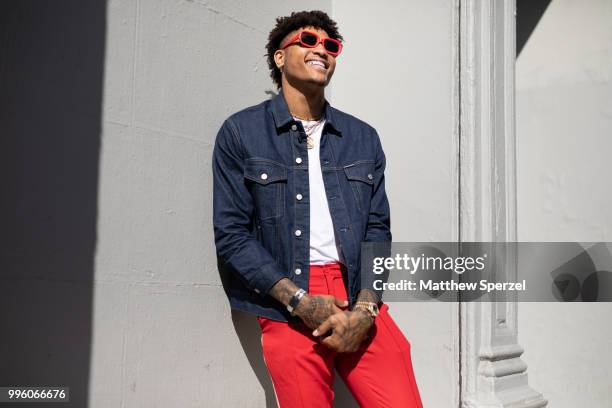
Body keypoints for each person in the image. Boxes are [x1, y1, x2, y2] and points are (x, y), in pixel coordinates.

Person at [212, 10, 423, 407]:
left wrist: (366, 308)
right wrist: (299, 302)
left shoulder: (362, 138)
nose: (321, 50)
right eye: (308, 41)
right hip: (286, 298)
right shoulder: (241, 133)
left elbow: (377, 229)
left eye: (331, 45)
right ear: (279, 57)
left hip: (357, 293)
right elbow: (232, 236)